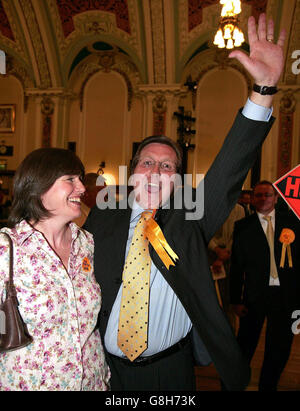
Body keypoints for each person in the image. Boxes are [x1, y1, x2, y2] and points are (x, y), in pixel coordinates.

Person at [84, 14, 286, 391]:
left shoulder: (189, 218)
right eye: (148, 162)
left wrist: (264, 88)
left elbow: (229, 169)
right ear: (132, 173)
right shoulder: (102, 218)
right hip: (104, 373)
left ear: (177, 181)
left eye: (167, 166)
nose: (157, 171)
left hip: (171, 373)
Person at [0, 148, 110, 391]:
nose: (81, 188)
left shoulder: (87, 244)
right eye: (70, 179)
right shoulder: (7, 250)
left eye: (80, 179)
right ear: (39, 187)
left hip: (91, 383)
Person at [230, 181, 300, 391]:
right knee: (245, 346)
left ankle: (268, 386)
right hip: (254, 297)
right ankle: (233, 384)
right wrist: (235, 299)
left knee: (279, 348)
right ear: (252, 199)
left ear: (276, 198)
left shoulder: (294, 223)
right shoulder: (243, 226)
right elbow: (236, 266)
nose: (263, 199)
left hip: (286, 298)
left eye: (267, 195)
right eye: (258, 195)